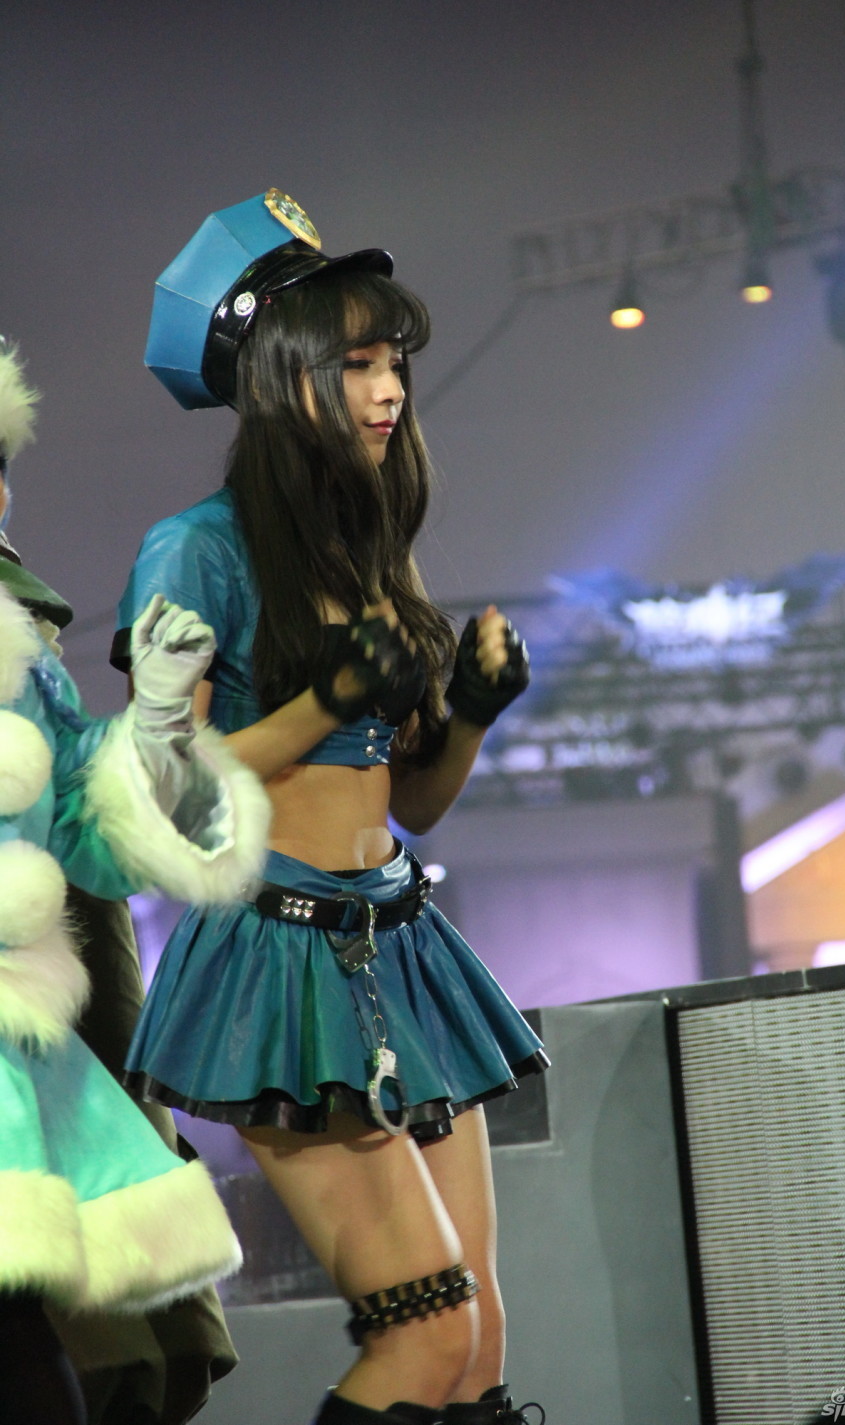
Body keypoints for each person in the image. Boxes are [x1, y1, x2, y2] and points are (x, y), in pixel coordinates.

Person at [112, 190, 548, 1425]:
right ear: (280, 374)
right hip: (280, 967)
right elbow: (164, 781)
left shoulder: (369, 546)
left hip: (399, 942)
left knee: (476, 1343)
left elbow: (412, 803)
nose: (388, 388)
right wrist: (326, 701)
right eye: (356, 362)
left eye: (393, 360)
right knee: (424, 1337)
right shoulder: (193, 549)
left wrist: (471, 711)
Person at [0, 383, 271, 1421]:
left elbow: (82, 831)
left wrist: (155, 724)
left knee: (88, 1375)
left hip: (26, 1074)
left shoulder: (14, 646)